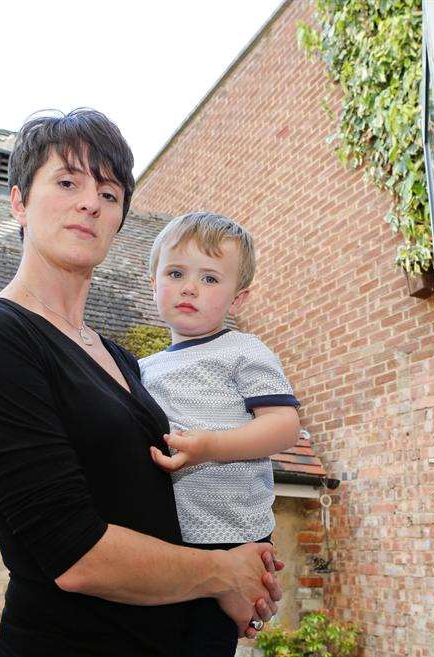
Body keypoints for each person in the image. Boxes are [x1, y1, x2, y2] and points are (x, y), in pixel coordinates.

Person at [0, 109, 282, 657]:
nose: (90, 203)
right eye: (68, 182)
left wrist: (248, 566)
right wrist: (223, 572)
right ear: (19, 202)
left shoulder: (125, 360)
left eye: (109, 193)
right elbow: (75, 555)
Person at [139, 212, 302, 657]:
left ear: (238, 298)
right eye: (176, 273)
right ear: (152, 281)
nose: (190, 287)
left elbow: (283, 425)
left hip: (234, 536)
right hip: (168, 542)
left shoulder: (242, 351)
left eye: (210, 278)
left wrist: (209, 446)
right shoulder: (141, 369)